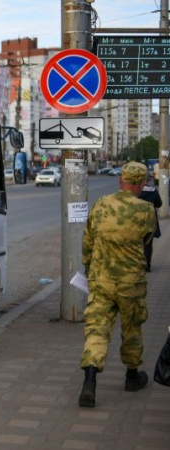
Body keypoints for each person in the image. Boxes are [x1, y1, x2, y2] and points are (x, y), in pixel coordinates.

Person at [79, 161, 155, 408]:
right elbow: (146, 240)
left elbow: (88, 241)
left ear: (121, 180)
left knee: (97, 328)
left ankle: (90, 381)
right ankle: (132, 376)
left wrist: (88, 267)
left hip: (101, 280)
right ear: (142, 184)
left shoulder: (101, 204)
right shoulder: (146, 209)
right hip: (131, 283)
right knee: (132, 328)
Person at [138, 177, 162, 272]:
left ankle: (137, 264)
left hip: (135, 221)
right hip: (150, 220)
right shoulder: (153, 191)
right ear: (147, 181)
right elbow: (159, 204)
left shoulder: (133, 192)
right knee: (148, 244)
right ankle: (147, 264)